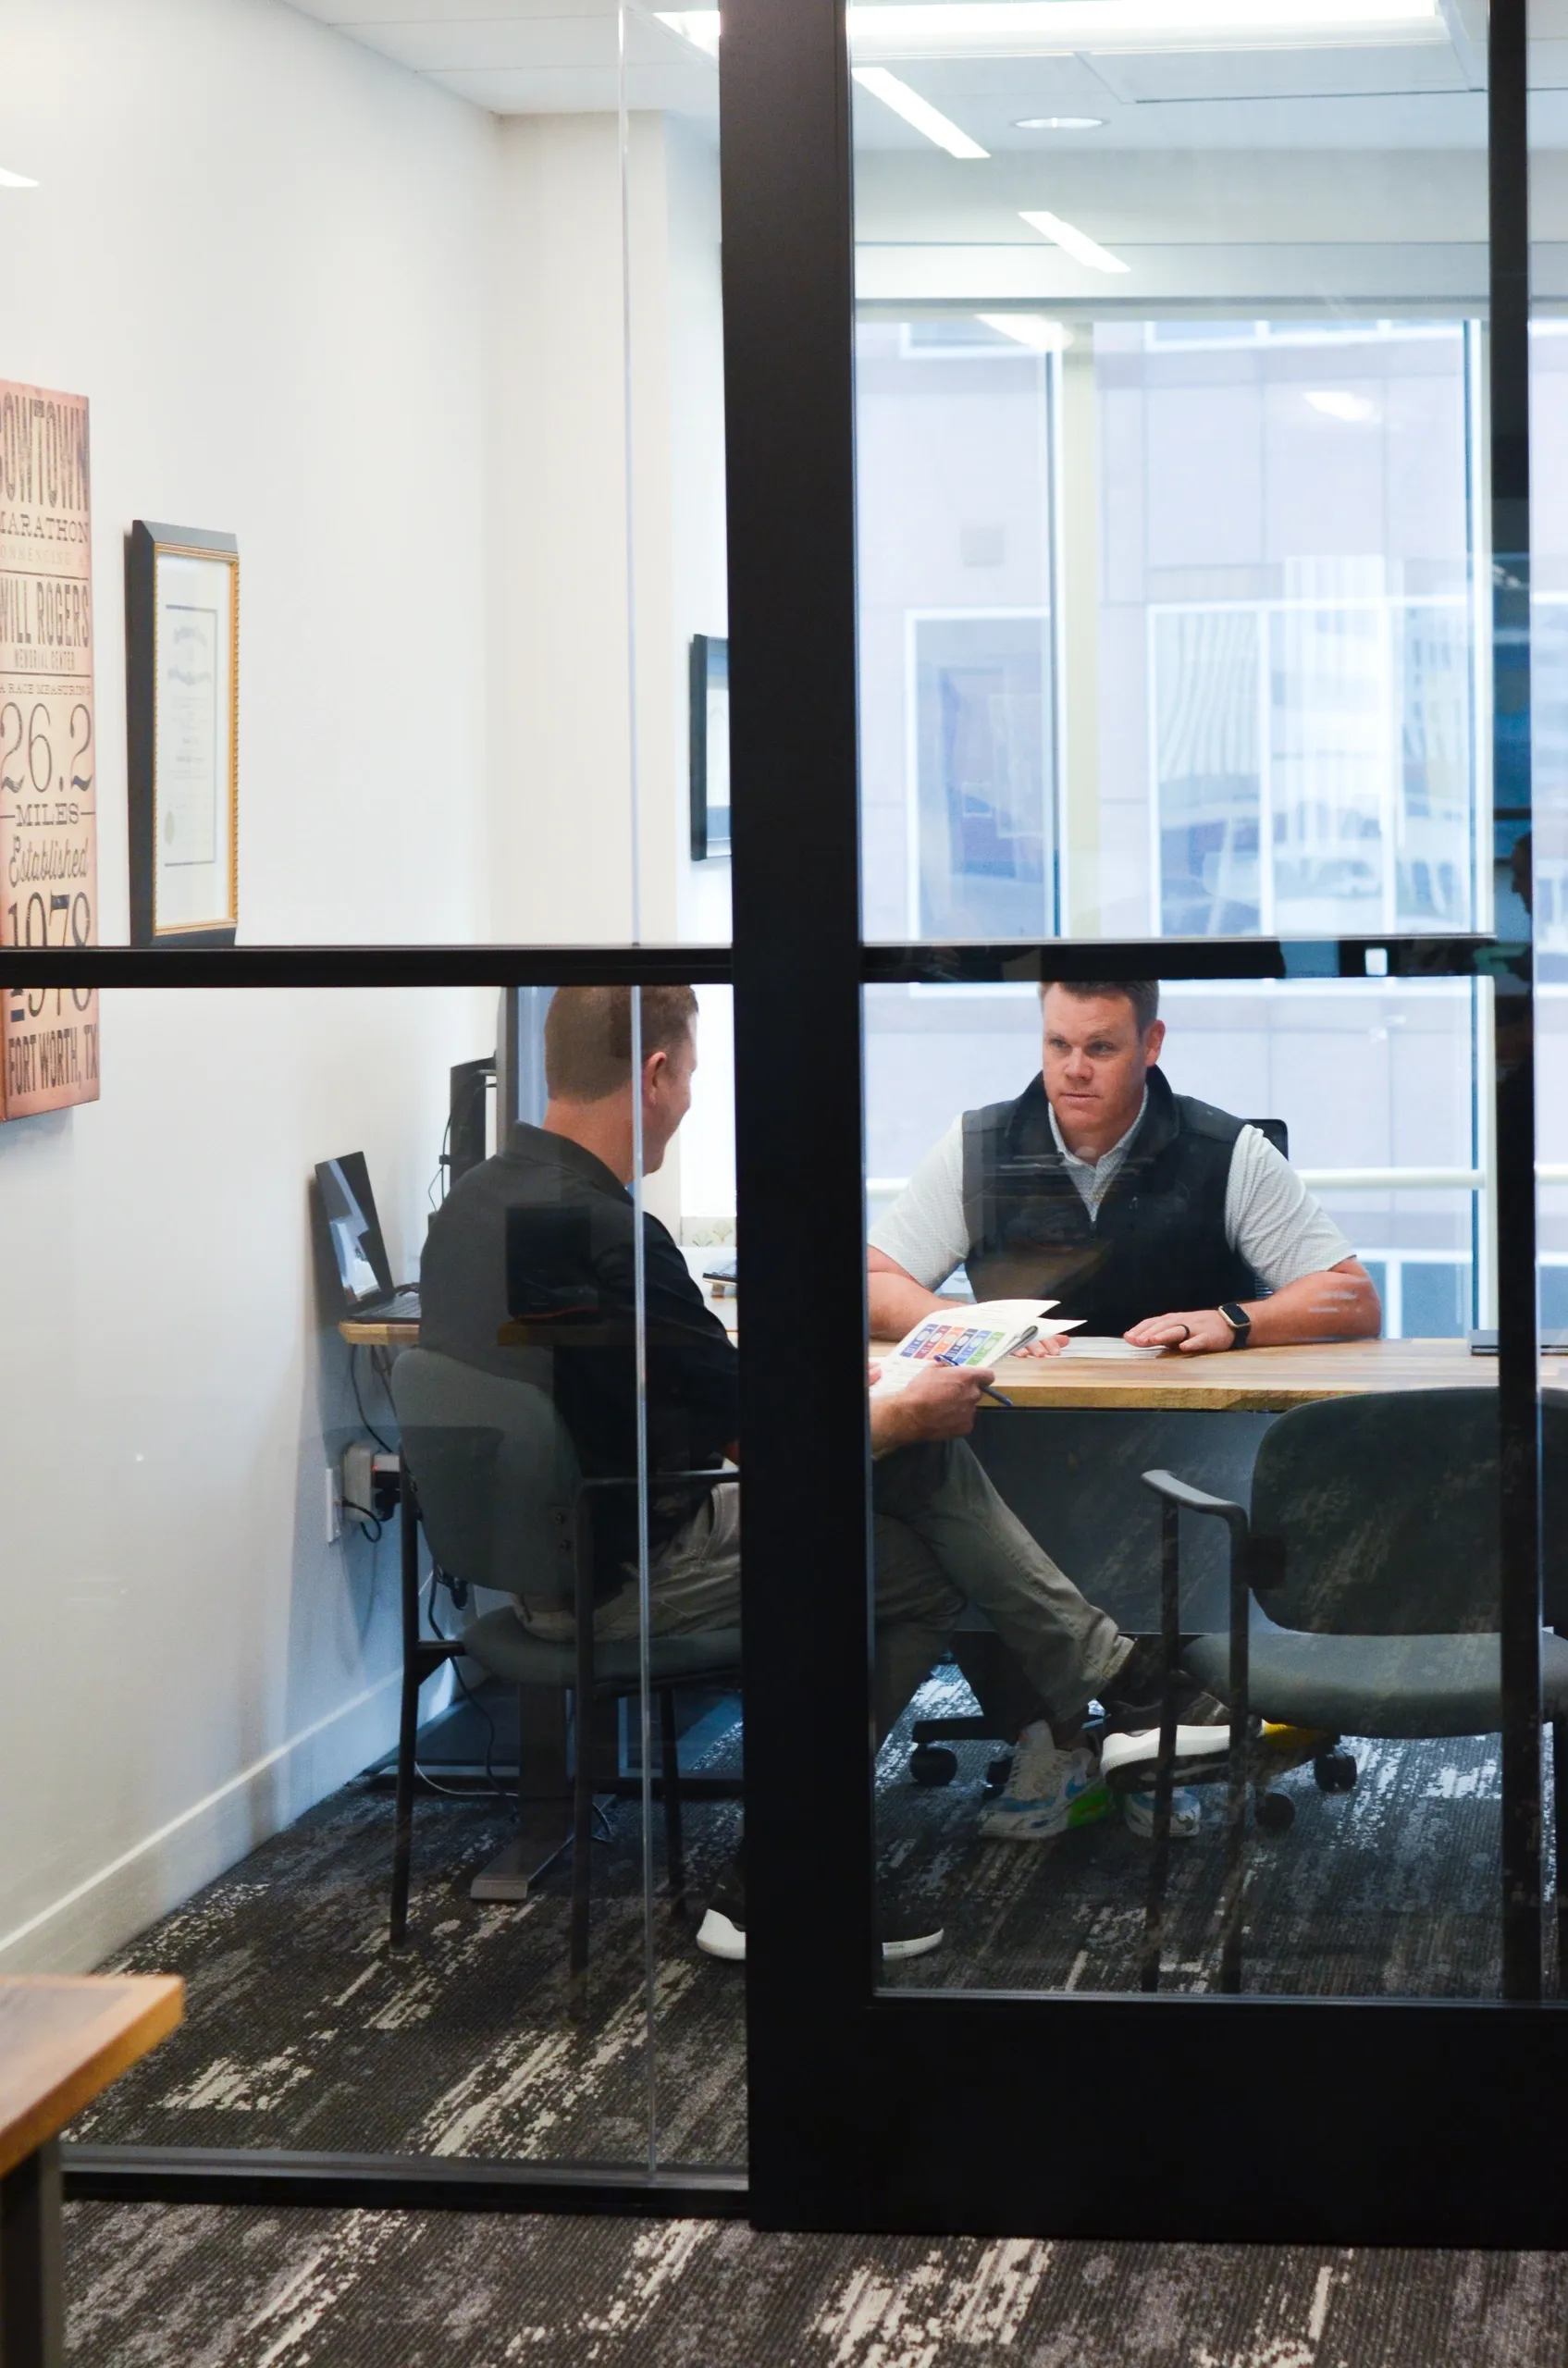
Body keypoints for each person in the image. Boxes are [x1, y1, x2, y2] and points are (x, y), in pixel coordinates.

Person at [418, 984, 1204, 1968]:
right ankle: (798, 1867)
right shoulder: (609, 1235)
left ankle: (1107, 1690)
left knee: (911, 1501)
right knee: (916, 1510)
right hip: (624, 1571)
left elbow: (653, 1388)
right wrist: (900, 1410)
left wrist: (853, 1399)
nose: (693, 1100)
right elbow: (770, 1449)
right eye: (695, 1074)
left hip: (554, 1549)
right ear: (657, 1074)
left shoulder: (475, 1206)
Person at [867, 978, 1380, 1357]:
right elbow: (870, 1284)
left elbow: (1352, 1298)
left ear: (1152, 1043)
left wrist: (1233, 1322)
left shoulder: (1228, 1151)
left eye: (1101, 1048)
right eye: (1058, 1045)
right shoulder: (976, 1146)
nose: (1075, 1070)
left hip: (1194, 1427)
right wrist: (975, 1328)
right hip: (1012, 1424)